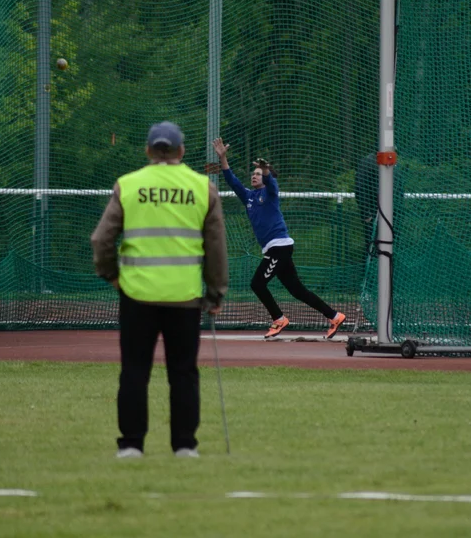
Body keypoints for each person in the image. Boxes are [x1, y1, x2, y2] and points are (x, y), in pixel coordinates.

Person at [91, 122, 228, 459]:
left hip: (137, 296)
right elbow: (216, 248)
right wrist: (215, 294)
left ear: (148, 151)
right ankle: (184, 445)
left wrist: (112, 275)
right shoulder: (202, 188)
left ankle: (132, 445)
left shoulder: (128, 185)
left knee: (135, 371)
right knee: (183, 373)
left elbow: (101, 240)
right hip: (185, 297)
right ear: (181, 151)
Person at [212, 137, 346, 339]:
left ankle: (278, 319)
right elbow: (232, 180)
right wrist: (223, 158)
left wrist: (266, 171)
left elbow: (272, 184)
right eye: (254, 174)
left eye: (258, 174)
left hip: (279, 247)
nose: (254, 176)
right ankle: (334, 316)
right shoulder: (248, 197)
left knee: (257, 284)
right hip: (274, 249)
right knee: (297, 290)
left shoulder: (270, 193)